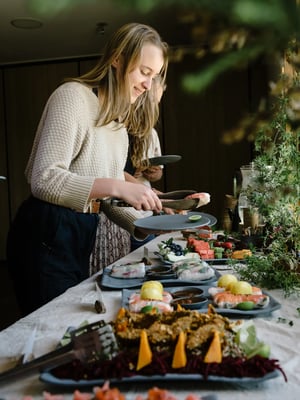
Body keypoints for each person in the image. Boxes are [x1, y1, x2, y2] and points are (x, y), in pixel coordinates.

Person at [6, 22, 169, 316]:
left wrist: (159, 218)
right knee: (53, 331)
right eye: (144, 72)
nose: (148, 85)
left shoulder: (118, 127)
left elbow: (104, 200)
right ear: (118, 58)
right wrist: (119, 186)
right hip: (46, 231)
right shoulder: (72, 97)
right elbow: (44, 179)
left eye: (154, 76)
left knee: (72, 329)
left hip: (83, 231)